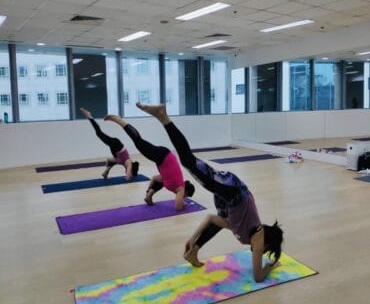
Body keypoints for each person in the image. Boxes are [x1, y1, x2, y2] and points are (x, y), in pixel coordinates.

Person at [136, 102, 284, 283]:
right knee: (188, 161)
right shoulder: (257, 237)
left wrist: (192, 239)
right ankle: (163, 116)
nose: (261, 252)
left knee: (218, 220)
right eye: (267, 250)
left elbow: (210, 220)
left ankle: (194, 251)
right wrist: (269, 267)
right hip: (234, 190)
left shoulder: (242, 231)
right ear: (268, 242)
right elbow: (258, 277)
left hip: (227, 201)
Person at [104, 113, 195, 211]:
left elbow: (154, 179)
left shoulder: (171, 182)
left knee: (138, 142)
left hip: (163, 156)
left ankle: (149, 197)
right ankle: (118, 120)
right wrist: (183, 205)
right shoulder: (180, 188)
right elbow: (178, 208)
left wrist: (148, 192)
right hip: (163, 156)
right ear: (186, 192)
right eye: (186, 196)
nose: (184, 198)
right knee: (138, 141)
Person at [80, 108, 139, 180]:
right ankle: (89, 116)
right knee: (99, 133)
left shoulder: (121, 162)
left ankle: (105, 173)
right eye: (131, 172)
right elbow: (128, 172)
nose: (126, 172)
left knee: (99, 135)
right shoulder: (128, 162)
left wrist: (107, 170)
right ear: (132, 170)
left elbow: (108, 160)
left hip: (115, 149)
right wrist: (128, 176)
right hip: (117, 145)